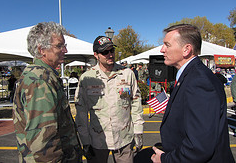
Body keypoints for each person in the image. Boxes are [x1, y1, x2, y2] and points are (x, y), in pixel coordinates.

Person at [151, 24, 234, 162]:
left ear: (186, 49)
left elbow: (199, 147)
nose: (162, 49)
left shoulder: (199, 81)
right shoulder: (191, 76)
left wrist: (165, 159)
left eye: (167, 45)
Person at [13, 22, 82, 162]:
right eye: (59, 46)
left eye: (65, 45)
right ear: (41, 49)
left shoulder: (43, 76)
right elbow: (43, 144)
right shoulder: (40, 81)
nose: (65, 50)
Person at [75, 36, 144, 163]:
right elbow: (81, 112)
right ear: (96, 55)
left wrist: (138, 131)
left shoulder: (127, 74)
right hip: (97, 141)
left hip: (124, 139)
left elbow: (135, 103)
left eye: (112, 50)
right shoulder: (87, 78)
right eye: (105, 52)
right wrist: (85, 140)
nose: (110, 54)